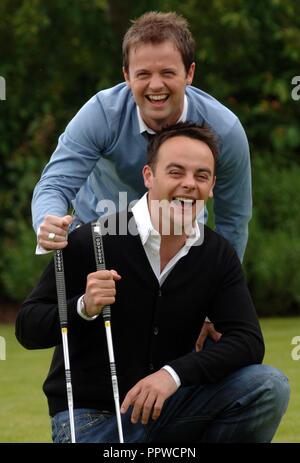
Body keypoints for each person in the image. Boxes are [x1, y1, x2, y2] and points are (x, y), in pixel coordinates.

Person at [17, 122, 289, 443]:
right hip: (92, 419)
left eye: (201, 176)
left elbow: (247, 341)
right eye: (176, 172)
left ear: (212, 185)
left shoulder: (217, 254)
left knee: (267, 385)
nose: (189, 184)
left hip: (171, 410)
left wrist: (171, 376)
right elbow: (28, 327)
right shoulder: (94, 240)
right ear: (149, 176)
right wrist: (83, 307)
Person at [33, 11, 251, 264]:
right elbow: (55, 184)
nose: (156, 85)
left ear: (189, 73)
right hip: (100, 244)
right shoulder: (101, 114)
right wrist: (48, 222)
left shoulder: (225, 130)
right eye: (144, 74)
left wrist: (222, 283)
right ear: (127, 76)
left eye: (167, 73)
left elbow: (233, 218)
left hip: (181, 248)